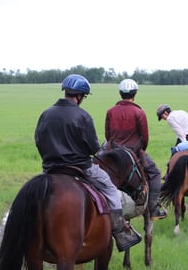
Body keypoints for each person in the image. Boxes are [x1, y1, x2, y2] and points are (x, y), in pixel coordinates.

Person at [34, 74, 141, 252]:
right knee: (110, 188)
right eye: (83, 96)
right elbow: (93, 148)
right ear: (79, 96)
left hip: (50, 169)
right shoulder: (83, 115)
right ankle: (120, 232)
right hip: (80, 168)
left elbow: (39, 140)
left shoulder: (46, 114)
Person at [105, 79, 167, 219]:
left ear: (120, 93)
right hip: (132, 152)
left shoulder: (110, 111)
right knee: (155, 174)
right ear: (135, 93)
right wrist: (140, 151)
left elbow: (108, 135)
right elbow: (144, 138)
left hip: (112, 152)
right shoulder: (139, 112)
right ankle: (153, 209)